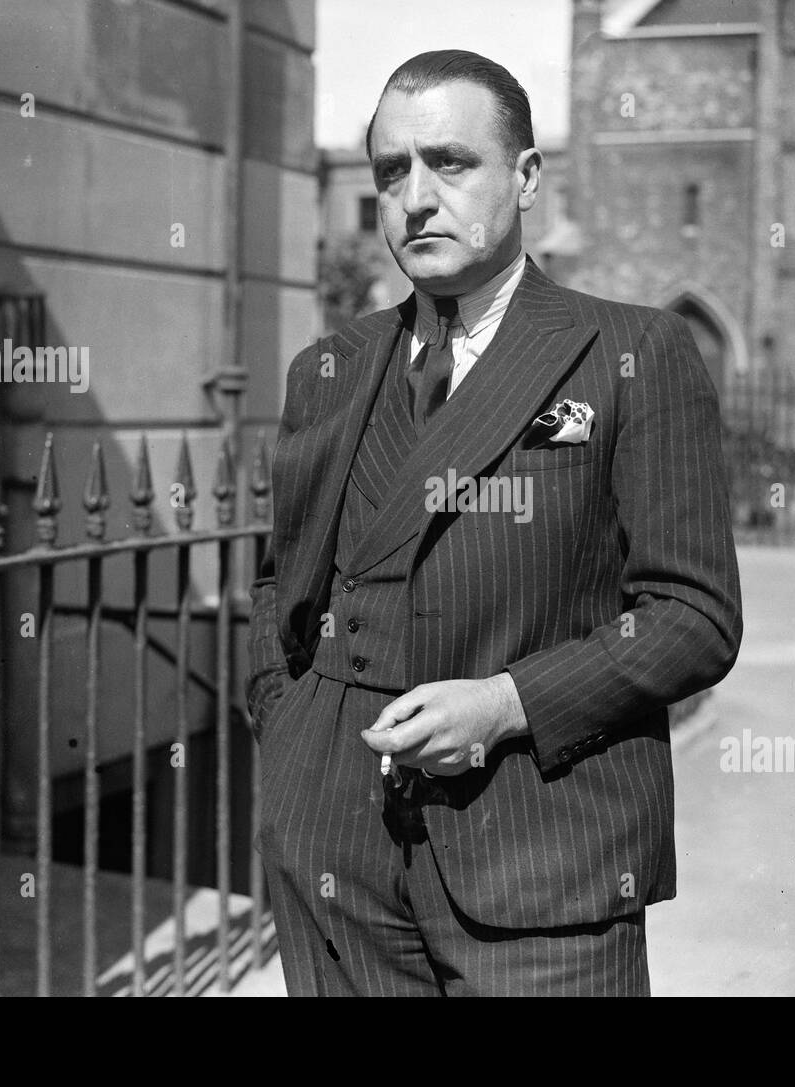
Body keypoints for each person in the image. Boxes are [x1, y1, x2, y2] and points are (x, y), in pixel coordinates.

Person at [246, 49, 741, 996]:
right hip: (333, 856)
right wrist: (292, 736)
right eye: (392, 171)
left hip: (539, 862)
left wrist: (507, 704)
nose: (416, 198)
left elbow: (696, 616)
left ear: (524, 179)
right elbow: (283, 584)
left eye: (450, 163)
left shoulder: (633, 351)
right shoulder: (331, 369)